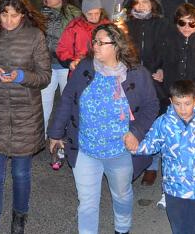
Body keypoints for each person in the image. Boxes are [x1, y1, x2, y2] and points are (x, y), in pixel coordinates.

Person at [48, 23, 159, 234]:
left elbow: (151, 106)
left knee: (122, 195)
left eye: (101, 43)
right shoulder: (85, 68)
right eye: (94, 42)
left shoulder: (137, 74)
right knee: (87, 203)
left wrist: (136, 132)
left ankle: (122, 229)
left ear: (116, 46)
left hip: (120, 151)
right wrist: (55, 133)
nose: (95, 46)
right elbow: (68, 98)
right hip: (85, 149)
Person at [0, 0, 51, 234]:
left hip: (26, 116)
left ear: (23, 14)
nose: (8, 21)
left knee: (20, 173)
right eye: (4, 15)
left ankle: (19, 216)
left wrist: (21, 76)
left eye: (14, 16)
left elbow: (45, 76)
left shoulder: (35, 36)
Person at [136, 80, 195, 234]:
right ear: (171, 101)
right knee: (179, 227)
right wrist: (134, 146)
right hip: (174, 189)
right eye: (177, 104)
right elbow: (150, 144)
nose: (182, 109)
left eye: (187, 103)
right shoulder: (163, 123)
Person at [124, 0, 167, 185]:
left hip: (153, 79)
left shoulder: (162, 25)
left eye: (145, 2)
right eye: (137, 2)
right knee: (132, 120)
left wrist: (162, 69)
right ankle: (132, 159)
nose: (140, 6)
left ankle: (152, 165)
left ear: (153, 5)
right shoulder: (125, 26)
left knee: (153, 122)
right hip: (130, 79)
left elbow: (170, 50)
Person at [40, 0, 81, 132]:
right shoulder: (43, 12)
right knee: (44, 102)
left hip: (66, 64)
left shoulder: (73, 13)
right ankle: (41, 135)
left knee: (67, 102)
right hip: (47, 64)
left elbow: (79, 38)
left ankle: (66, 137)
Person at [57, 0, 110, 71]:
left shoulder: (108, 26)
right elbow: (63, 49)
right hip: (81, 69)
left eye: (97, 13)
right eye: (90, 14)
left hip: (104, 69)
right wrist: (70, 62)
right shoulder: (74, 26)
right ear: (84, 13)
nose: (94, 17)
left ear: (101, 12)